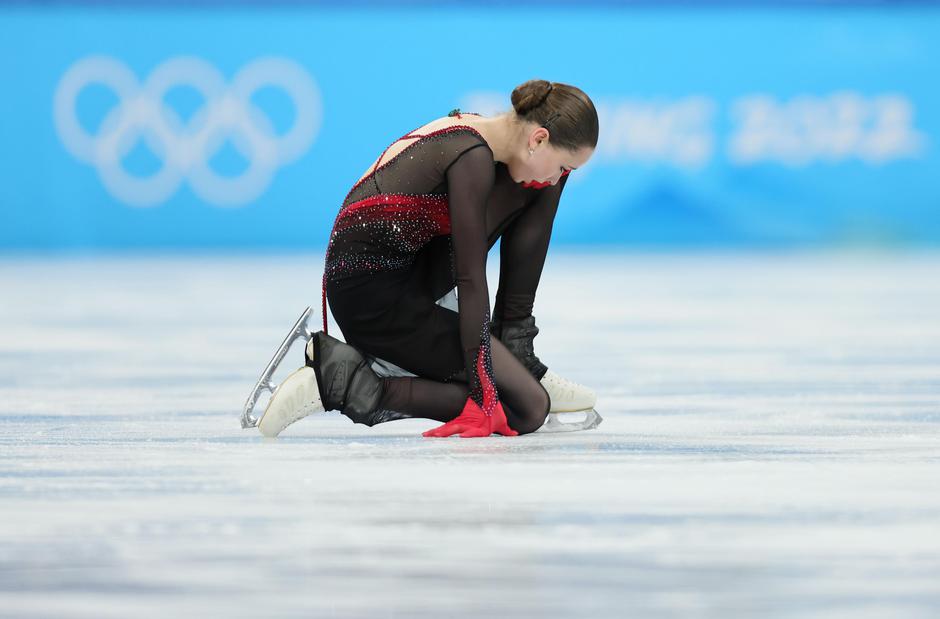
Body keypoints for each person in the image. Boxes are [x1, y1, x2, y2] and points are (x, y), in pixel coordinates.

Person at [258, 79, 599, 438]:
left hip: (405, 274)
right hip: (376, 304)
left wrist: (506, 366)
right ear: (539, 139)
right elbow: (470, 280)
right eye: (563, 165)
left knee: (542, 188)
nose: (558, 177)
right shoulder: (472, 158)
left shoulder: (478, 135)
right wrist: (486, 394)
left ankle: (516, 345)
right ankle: (342, 383)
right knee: (528, 408)